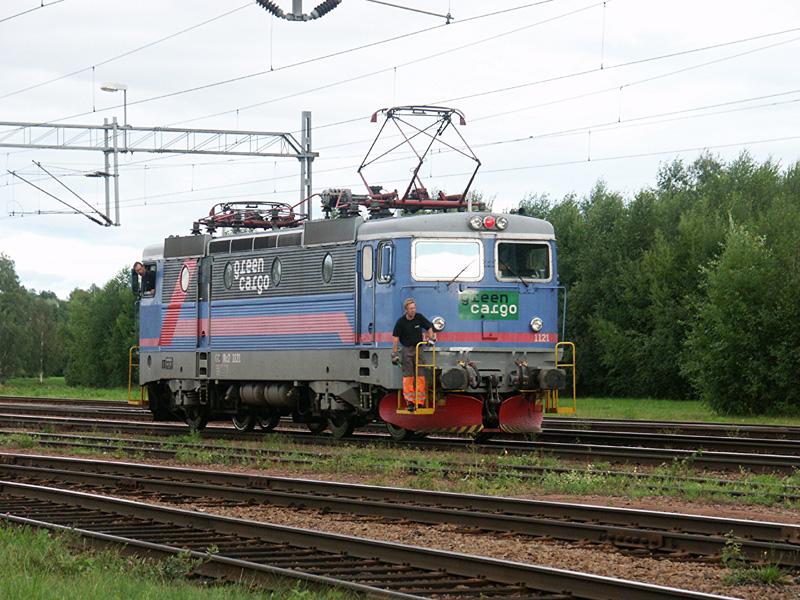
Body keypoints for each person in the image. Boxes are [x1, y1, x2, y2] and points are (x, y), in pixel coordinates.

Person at [392, 298, 436, 412]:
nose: (413, 310)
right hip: (407, 350)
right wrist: (394, 353)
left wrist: (431, 338)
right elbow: (395, 338)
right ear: (406, 310)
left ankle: (420, 401)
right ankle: (410, 402)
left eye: (414, 308)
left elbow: (429, 327)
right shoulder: (400, 322)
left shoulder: (419, 317)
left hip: (418, 349)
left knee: (420, 375)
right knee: (408, 377)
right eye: (411, 308)